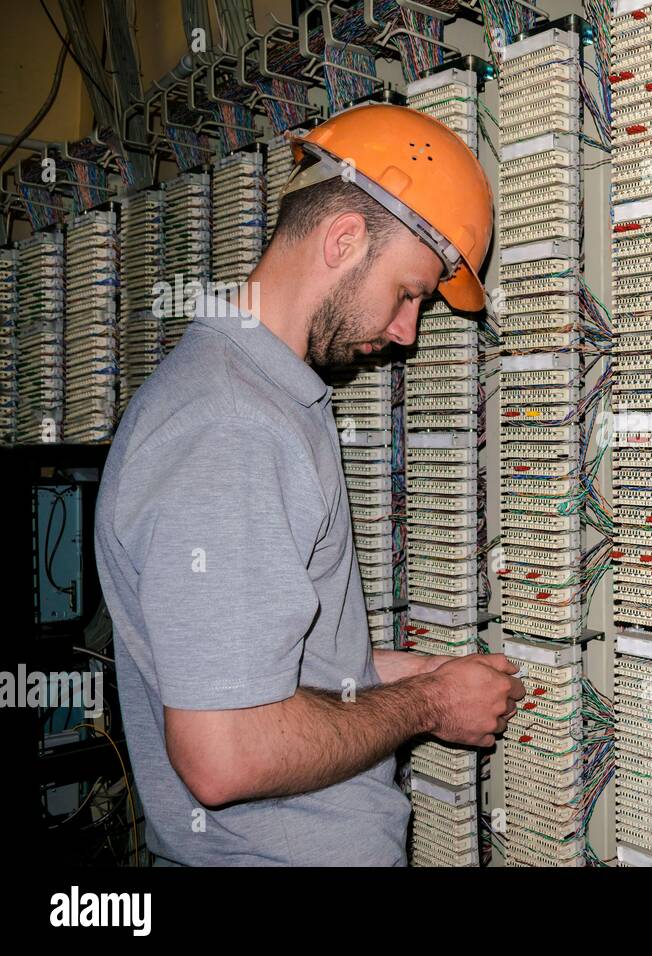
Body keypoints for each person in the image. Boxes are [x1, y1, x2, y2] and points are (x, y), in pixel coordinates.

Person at [94, 104, 522, 865]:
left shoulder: (259, 400)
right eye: (408, 292)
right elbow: (224, 756)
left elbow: (285, 674)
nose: (407, 333)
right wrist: (429, 705)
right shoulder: (229, 428)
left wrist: (417, 673)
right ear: (344, 239)